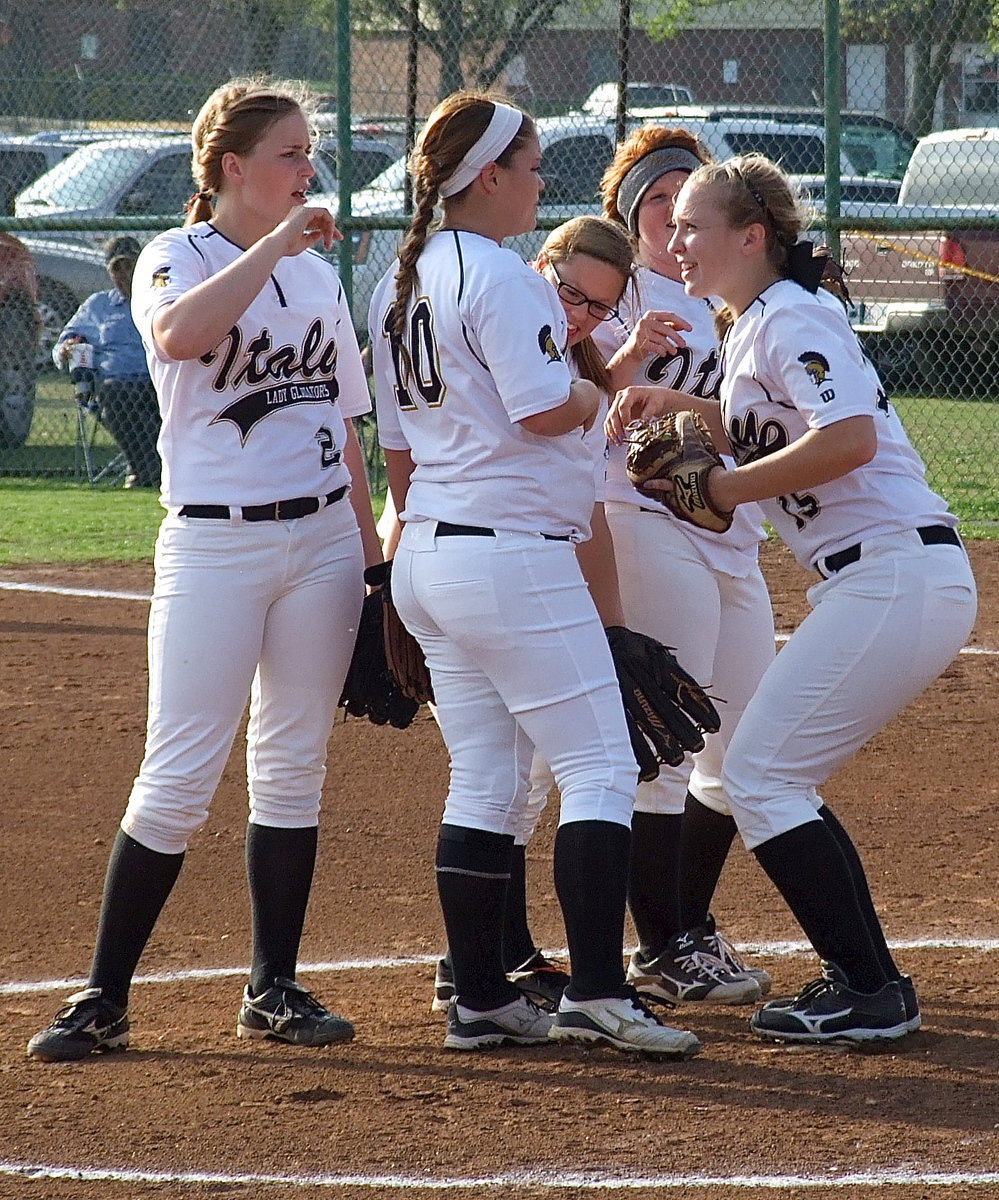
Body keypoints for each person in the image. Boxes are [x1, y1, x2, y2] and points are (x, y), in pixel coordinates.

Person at [28, 77, 382, 1063]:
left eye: (308, 153)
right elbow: (180, 335)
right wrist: (278, 244)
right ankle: (104, 996)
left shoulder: (319, 279)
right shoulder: (172, 256)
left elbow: (343, 428)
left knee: (293, 763)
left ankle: (274, 987)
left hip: (321, 540)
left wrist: (372, 563)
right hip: (215, 544)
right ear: (232, 167)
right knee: (179, 773)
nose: (307, 169)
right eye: (288, 154)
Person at [608, 153, 978, 1044]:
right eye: (671, 224)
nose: (676, 240)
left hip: (892, 572)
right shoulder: (754, 323)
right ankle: (866, 983)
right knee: (769, 775)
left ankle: (868, 989)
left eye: (693, 225)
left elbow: (847, 438)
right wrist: (678, 406)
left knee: (759, 776)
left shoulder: (791, 315)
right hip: (879, 576)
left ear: (751, 237)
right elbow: (765, 427)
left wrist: (724, 490)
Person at [368, 92, 700, 1058]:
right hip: (510, 551)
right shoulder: (502, 276)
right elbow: (543, 409)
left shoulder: (402, 277)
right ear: (487, 177)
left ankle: (479, 998)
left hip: (434, 548)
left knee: (485, 780)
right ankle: (596, 992)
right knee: (599, 766)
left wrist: (409, 560)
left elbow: (397, 448)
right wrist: (605, 394)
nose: (541, 181)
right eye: (531, 164)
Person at [593, 125, 776, 1006]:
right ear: (628, 218)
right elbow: (577, 404)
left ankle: (684, 927)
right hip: (643, 523)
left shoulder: (733, 295)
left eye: (685, 201)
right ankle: (662, 945)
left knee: (744, 745)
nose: (671, 220)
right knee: (667, 741)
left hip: (730, 530)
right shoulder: (613, 294)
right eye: (654, 203)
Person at [54, 236, 162, 488]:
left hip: (158, 381)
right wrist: (66, 350)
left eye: (129, 266)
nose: (124, 275)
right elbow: (64, 343)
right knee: (116, 395)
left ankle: (146, 470)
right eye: (117, 268)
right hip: (114, 385)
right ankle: (152, 469)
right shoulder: (97, 306)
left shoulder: (159, 298)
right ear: (109, 272)